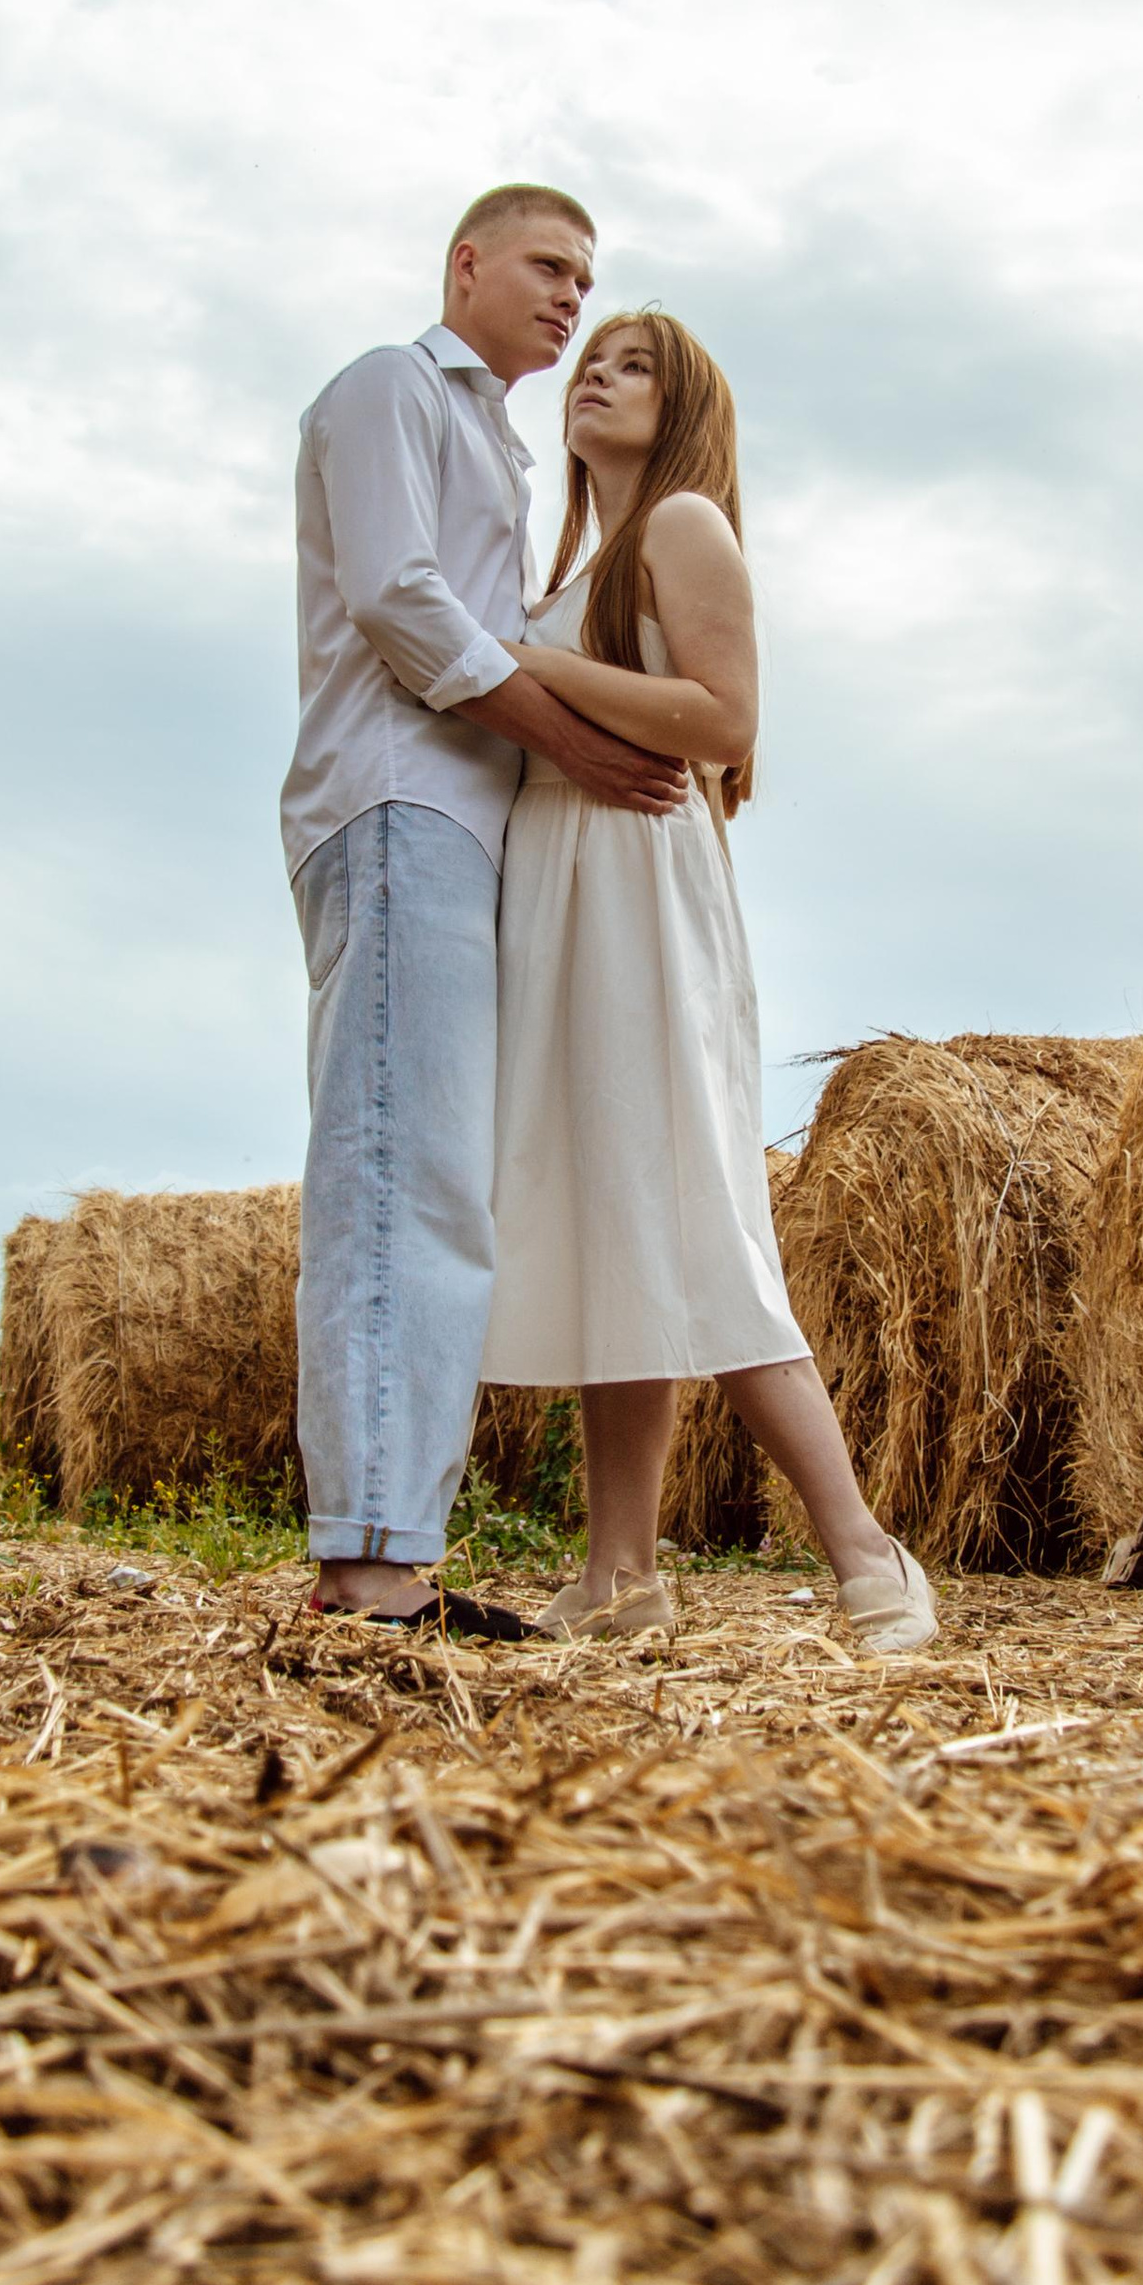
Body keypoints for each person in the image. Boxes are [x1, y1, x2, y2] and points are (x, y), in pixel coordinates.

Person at [480, 310, 938, 1655]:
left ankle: (868, 1555)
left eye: (632, 366)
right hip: (565, 900)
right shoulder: (575, 561)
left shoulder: (682, 524)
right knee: (610, 1217)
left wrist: (524, 661)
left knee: (687, 1203)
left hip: (641, 892)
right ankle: (621, 1574)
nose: (594, 378)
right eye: (589, 362)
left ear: (682, 408)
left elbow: (726, 723)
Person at [283, 191, 689, 1635]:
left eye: (590, 279)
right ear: (465, 264)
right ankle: (377, 1572)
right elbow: (400, 599)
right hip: (403, 806)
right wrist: (567, 736)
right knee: (402, 1176)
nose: (573, 298)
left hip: (453, 825)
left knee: (443, 1181)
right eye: (547, 267)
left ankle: (390, 1553)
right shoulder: (394, 387)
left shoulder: (502, 460)